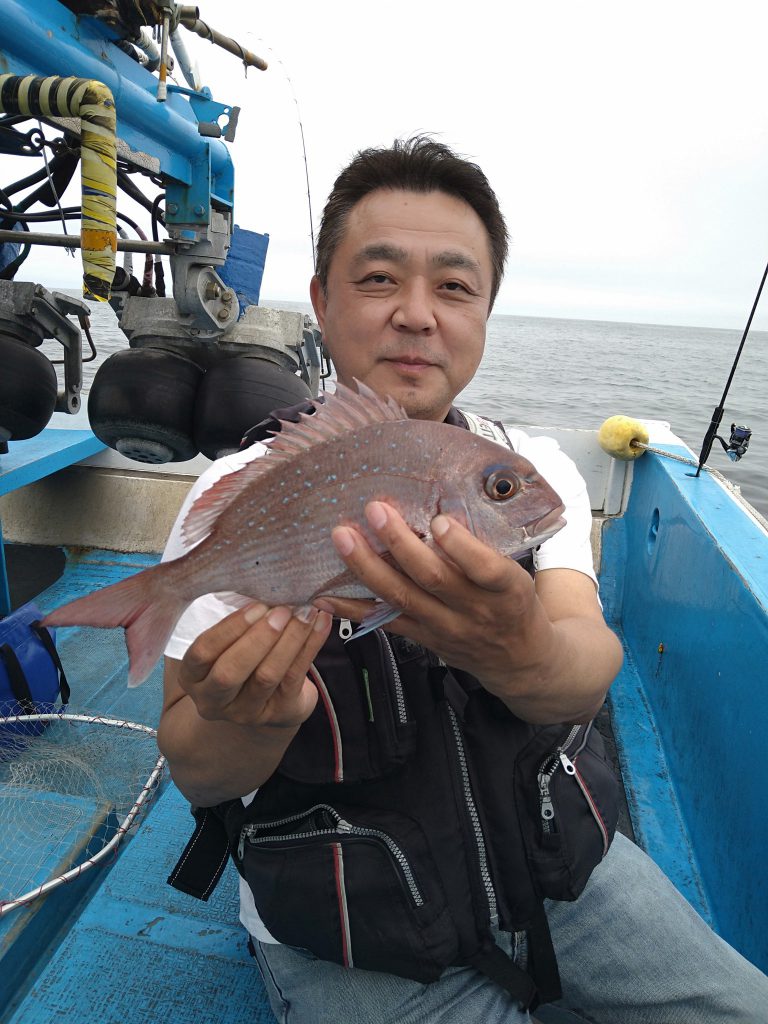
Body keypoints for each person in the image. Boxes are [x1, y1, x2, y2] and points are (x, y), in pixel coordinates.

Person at [157, 137, 768, 1023]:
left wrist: (517, 650)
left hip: (560, 877)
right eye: (378, 279)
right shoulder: (242, 493)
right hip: (349, 921)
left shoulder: (523, 469)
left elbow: (585, 666)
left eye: (454, 286)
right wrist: (251, 718)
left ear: (486, 311)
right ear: (321, 301)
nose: (417, 315)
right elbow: (197, 770)